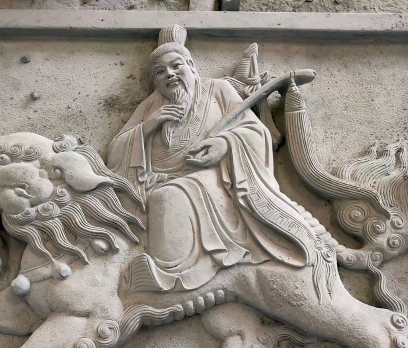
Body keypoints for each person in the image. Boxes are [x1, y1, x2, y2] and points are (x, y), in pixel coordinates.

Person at [108, 26, 320, 293]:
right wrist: (146, 128)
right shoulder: (150, 106)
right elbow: (115, 151)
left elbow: (255, 132)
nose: (169, 74)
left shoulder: (217, 90)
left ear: (192, 66)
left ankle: (172, 276)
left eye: (176, 66)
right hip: (155, 180)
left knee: (168, 197)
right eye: (160, 72)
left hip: (211, 179)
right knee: (149, 199)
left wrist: (224, 144)